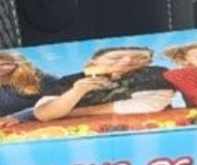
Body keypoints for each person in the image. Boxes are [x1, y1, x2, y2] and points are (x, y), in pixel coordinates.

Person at [32, 46, 174, 122]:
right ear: (91, 64)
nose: (128, 61)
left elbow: (150, 104)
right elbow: (43, 114)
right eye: (116, 57)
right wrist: (76, 92)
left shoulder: (154, 73)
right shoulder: (71, 80)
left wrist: (70, 113)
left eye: (141, 58)